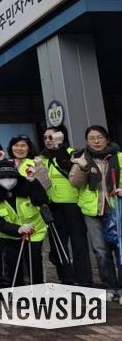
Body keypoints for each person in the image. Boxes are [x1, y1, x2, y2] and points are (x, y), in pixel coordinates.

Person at [69, 125, 122, 302]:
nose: (96, 141)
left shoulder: (118, 157)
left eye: (100, 137)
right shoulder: (82, 158)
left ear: (107, 139)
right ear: (87, 141)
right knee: (101, 251)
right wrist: (82, 167)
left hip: (115, 209)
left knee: (120, 249)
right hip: (92, 211)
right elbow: (75, 183)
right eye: (92, 138)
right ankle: (110, 287)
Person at [41, 125, 93, 287]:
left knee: (79, 243)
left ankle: (84, 280)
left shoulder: (73, 154)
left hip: (73, 204)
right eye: (45, 137)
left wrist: (60, 151)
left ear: (61, 136)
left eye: (51, 137)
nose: (48, 140)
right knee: (57, 245)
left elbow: (77, 173)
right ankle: (66, 278)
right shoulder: (43, 158)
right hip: (53, 205)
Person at [0, 159, 48, 286]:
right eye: (3, 177)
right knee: (13, 264)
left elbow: (42, 200)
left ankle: (38, 290)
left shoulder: (27, 185)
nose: (7, 180)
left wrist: (33, 182)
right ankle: (18, 291)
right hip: (9, 235)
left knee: (34, 262)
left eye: (11, 176)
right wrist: (18, 229)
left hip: (34, 232)